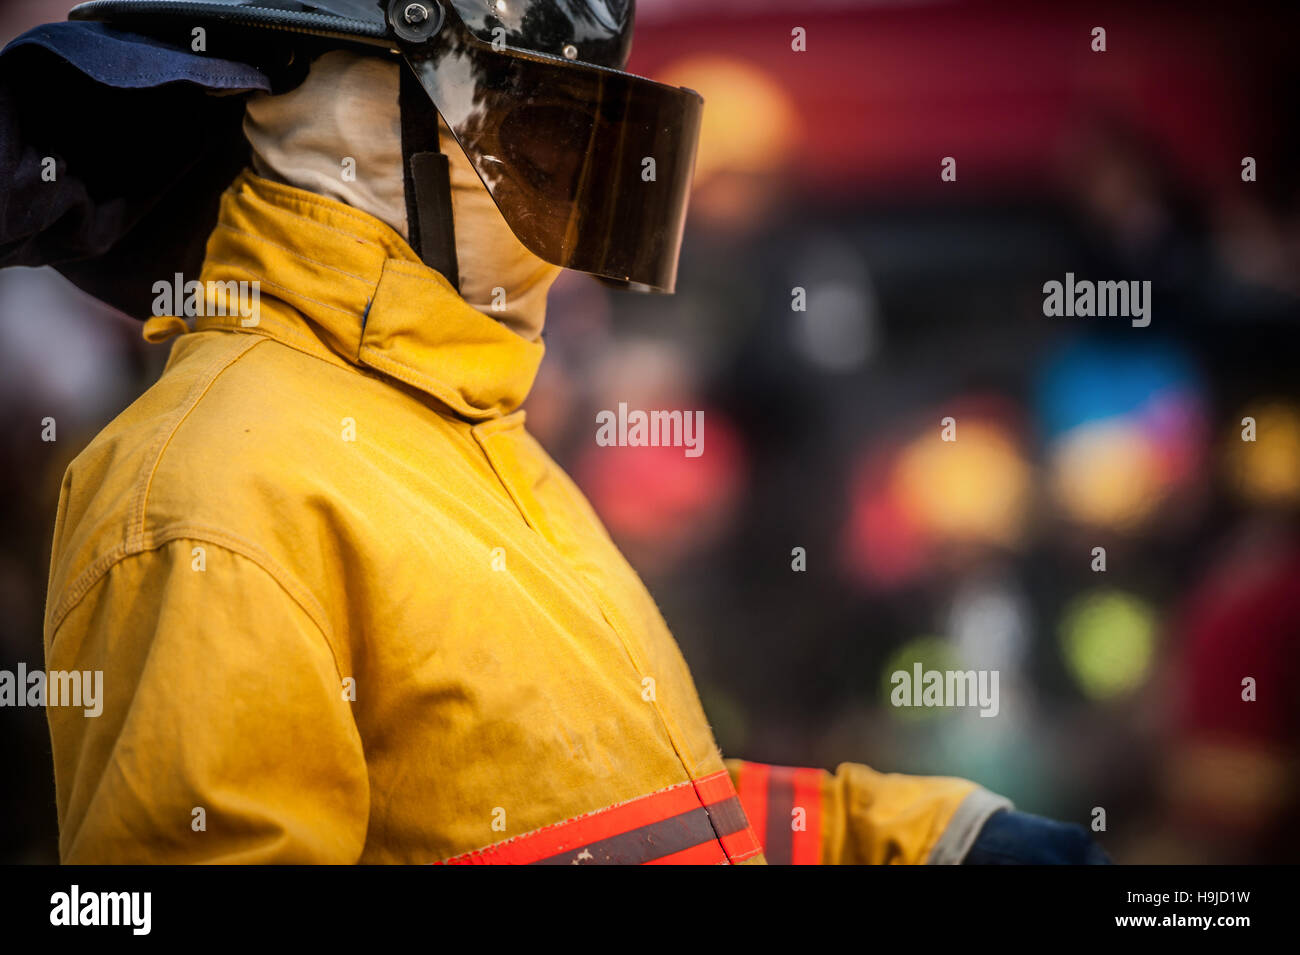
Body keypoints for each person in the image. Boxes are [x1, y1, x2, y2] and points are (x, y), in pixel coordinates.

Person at [1, 0, 1105, 864]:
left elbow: (623, 819)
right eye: (536, 137)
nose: (566, 207)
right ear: (358, 134)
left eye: (586, 146)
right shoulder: (211, 489)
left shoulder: (478, 440)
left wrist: (921, 841)